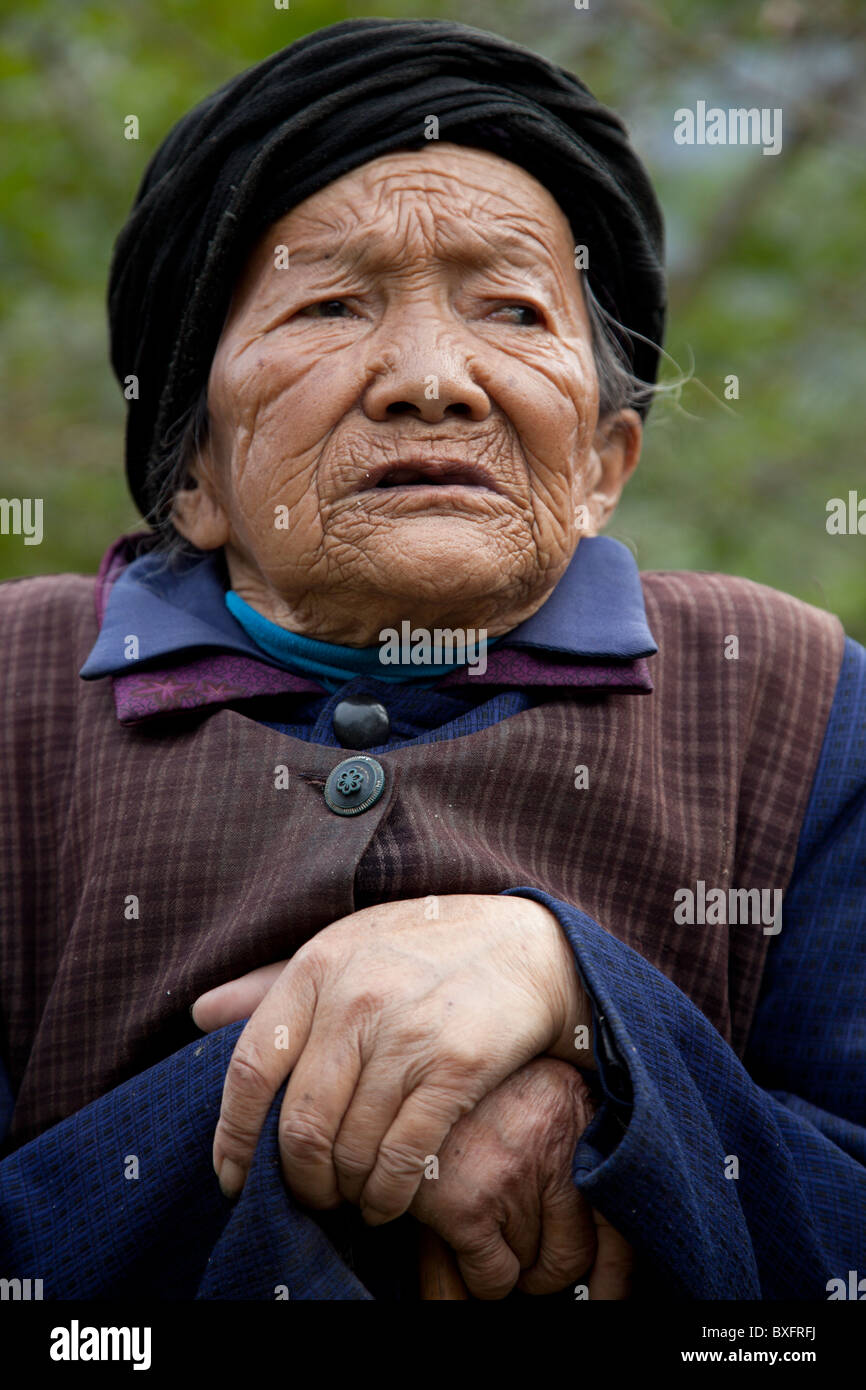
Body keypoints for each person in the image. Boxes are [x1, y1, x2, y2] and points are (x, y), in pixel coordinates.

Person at [0, 17, 863, 1302]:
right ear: (192, 475)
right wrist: (319, 1089)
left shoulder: (797, 701)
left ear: (599, 470)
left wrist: (584, 998)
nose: (429, 380)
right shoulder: (14, 702)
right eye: (331, 303)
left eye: (510, 309)